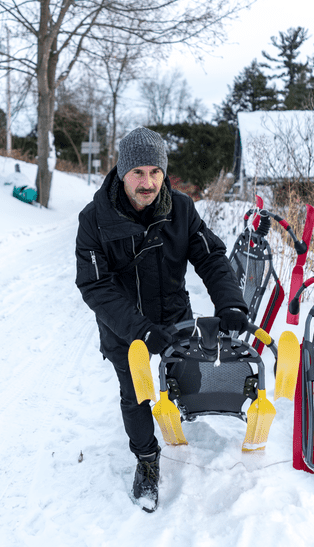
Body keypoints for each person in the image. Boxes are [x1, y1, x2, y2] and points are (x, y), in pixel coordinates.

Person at [75, 127, 248, 511]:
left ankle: (179, 417)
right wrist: (140, 331)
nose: (148, 182)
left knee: (185, 380)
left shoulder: (182, 209)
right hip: (126, 329)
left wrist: (231, 304)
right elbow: (95, 286)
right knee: (136, 395)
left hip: (173, 318)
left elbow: (211, 257)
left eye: (155, 172)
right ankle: (147, 461)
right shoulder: (94, 220)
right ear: (122, 172)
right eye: (138, 172)